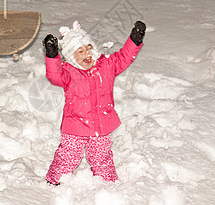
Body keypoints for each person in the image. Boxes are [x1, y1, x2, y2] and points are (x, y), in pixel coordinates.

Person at [42, 20, 146, 185]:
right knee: (68, 156)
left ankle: (107, 183)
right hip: (75, 125)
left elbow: (124, 58)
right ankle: (54, 180)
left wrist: (135, 41)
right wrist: (52, 54)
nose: (86, 55)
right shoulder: (69, 72)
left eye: (89, 48)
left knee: (102, 156)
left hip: (101, 125)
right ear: (70, 56)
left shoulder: (106, 65)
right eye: (80, 51)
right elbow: (54, 75)